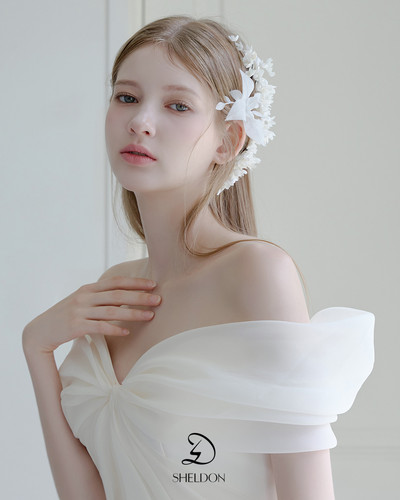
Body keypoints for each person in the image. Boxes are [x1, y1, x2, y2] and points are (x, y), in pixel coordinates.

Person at [22, 15, 375, 500]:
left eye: (177, 105)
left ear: (228, 141)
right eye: (126, 97)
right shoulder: (116, 289)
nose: (140, 122)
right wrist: (37, 347)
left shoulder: (256, 273)